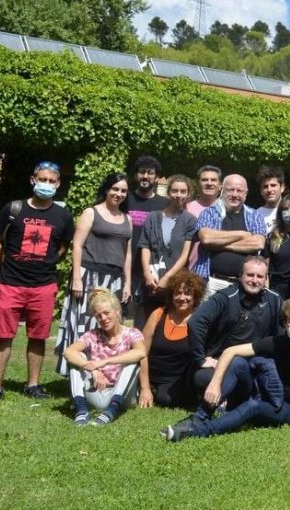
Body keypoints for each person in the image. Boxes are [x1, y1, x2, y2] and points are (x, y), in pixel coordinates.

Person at [162, 297, 290, 441]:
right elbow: (230, 351)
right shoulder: (276, 342)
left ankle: (196, 432)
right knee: (239, 362)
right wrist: (215, 383)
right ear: (285, 324)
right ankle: (199, 417)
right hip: (265, 393)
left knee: (253, 406)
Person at [0, 160, 75, 405]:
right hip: (11, 283)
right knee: (3, 335)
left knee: (38, 336)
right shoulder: (14, 208)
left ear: (58, 183)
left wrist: (47, 261)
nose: (47, 184)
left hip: (43, 285)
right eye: (42, 179)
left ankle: (33, 384)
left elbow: (63, 246)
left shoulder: (63, 215)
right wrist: (7, 264)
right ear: (33, 180)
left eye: (52, 181)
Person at [182, 257, 283, 427]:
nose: (255, 280)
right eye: (250, 275)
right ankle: (217, 406)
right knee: (203, 377)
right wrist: (200, 359)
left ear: (266, 279)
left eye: (260, 276)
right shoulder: (226, 296)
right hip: (224, 364)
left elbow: (281, 336)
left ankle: (238, 403)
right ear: (240, 276)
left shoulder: (275, 300)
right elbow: (196, 321)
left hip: (257, 366)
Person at [57, 172, 132, 376]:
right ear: (107, 189)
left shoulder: (128, 219)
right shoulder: (91, 212)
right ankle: (78, 371)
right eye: (115, 189)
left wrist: (127, 283)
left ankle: (105, 371)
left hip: (115, 279)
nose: (119, 193)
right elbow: (78, 245)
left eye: (123, 190)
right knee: (85, 323)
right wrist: (76, 279)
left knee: (108, 326)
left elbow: (127, 253)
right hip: (89, 275)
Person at [62, 289, 147, 426]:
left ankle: (111, 411)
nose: (103, 319)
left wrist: (103, 362)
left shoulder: (132, 333)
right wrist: (91, 369)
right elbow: (68, 352)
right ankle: (82, 410)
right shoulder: (92, 335)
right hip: (97, 391)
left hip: (122, 394)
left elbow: (141, 353)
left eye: (107, 313)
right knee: (77, 358)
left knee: (132, 362)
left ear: (116, 312)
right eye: (98, 316)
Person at [193, 174, 268, 300]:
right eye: (230, 190)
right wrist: (242, 234)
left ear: (246, 193)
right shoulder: (209, 212)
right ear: (222, 190)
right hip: (211, 282)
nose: (235, 194)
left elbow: (258, 244)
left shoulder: (255, 216)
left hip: (243, 284)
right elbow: (206, 238)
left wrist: (218, 244)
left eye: (239, 190)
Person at [137, 174, 197, 332]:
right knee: (144, 323)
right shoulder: (153, 216)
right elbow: (145, 246)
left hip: (174, 280)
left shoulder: (189, 220)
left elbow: (185, 255)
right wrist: (147, 274)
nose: (179, 195)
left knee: (167, 323)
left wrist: (167, 278)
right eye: (175, 191)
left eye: (183, 191)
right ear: (169, 193)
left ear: (188, 194)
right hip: (151, 280)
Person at [139, 270, 204, 409]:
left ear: (195, 296)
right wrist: (144, 386)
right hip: (149, 373)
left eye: (187, 293)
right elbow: (141, 352)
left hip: (176, 380)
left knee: (166, 399)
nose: (182, 297)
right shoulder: (158, 314)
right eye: (177, 293)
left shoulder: (200, 320)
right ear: (171, 295)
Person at [126, 155, 168, 322]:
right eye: (142, 172)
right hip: (125, 261)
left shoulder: (164, 204)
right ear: (136, 175)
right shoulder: (125, 199)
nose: (145, 176)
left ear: (157, 177)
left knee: (146, 313)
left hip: (151, 266)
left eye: (150, 173)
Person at [186, 165, 222, 272]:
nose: (209, 183)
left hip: (219, 270)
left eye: (213, 180)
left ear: (220, 185)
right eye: (205, 180)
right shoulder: (187, 208)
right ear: (198, 184)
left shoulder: (228, 211)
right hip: (190, 270)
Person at [254, 164, 285, 235]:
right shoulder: (255, 216)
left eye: (273, 185)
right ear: (261, 191)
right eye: (265, 187)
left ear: (282, 188)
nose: (269, 190)